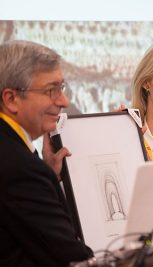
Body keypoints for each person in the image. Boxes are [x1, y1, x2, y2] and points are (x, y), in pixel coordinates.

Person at [0, 40, 93, 266]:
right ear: (11, 99)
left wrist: (48, 174)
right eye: (51, 90)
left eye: (61, 88)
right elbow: (71, 257)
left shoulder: (20, 159)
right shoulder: (21, 168)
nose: (64, 101)